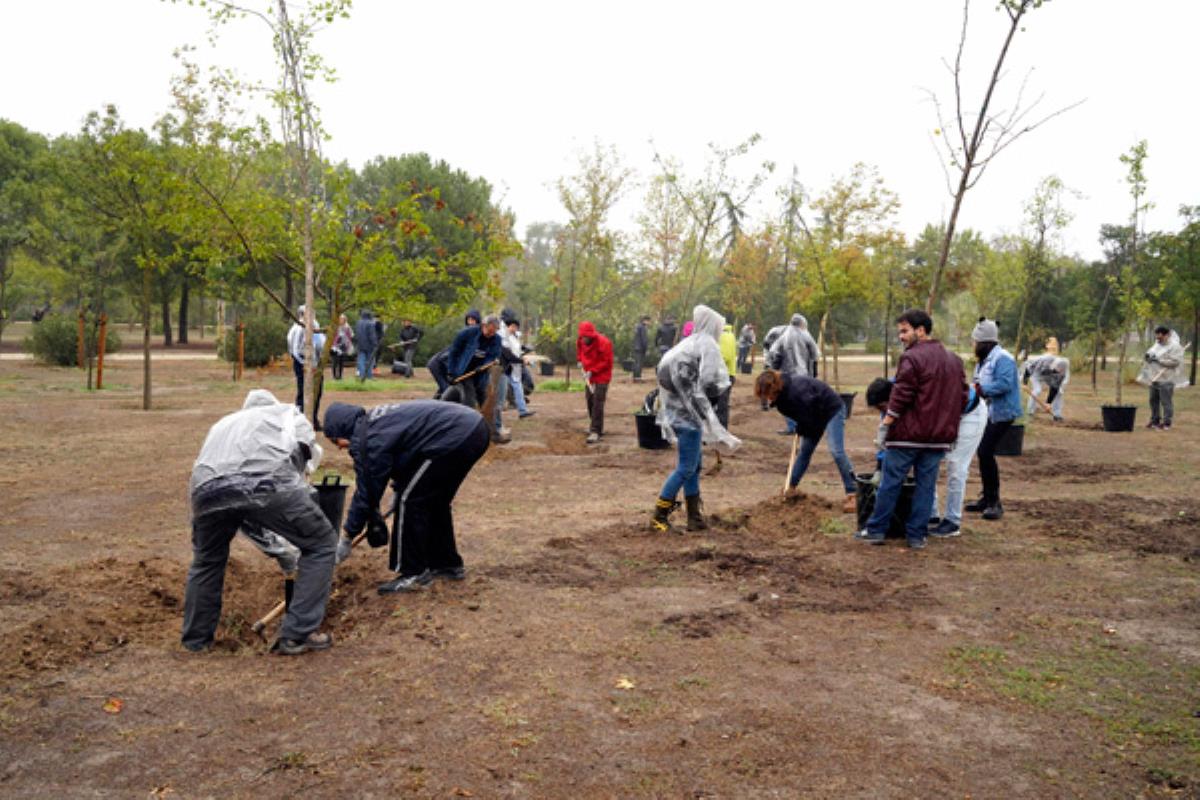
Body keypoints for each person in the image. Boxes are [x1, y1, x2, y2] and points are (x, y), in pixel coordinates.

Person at [183, 389, 335, 655]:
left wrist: (278, 548)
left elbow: (236, 498)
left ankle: (196, 642)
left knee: (207, 560)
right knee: (321, 544)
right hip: (270, 482)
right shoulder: (288, 414)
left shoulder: (224, 424)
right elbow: (303, 461)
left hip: (206, 491)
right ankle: (296, 635)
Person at [323, 400, 490, 594]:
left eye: (336, 441)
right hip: (472, 429)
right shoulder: (374, 424)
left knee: (410, 501)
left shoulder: (366, 439)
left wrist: (347, 536)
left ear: (342, 430)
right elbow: (406, 455)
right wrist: (398, 487)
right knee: (435, 502)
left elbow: (367, 492)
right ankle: (447, 565)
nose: (339, 447)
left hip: (453, 436)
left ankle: (413, 573)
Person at [854, 309, 966, 550]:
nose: (901, 337)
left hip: (907, 437)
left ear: (921, 330)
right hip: (937, 439)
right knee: (926, 486)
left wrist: (885, 426)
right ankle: (917, 536)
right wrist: (950, 427)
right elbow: (962, 396)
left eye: (904, 331)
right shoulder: (954, 360)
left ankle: (876, 530)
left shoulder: (911, 358)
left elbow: (901, 394)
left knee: (890, 483)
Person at [651, 305, 741, 533]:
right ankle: (658, 515)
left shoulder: (687, 343)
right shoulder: (708, 344)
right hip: (688, 416)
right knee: (686, 467)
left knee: (695, 465)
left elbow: (664, 372)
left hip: (676, 412)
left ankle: (694, 517)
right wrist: (707, 404)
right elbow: (711, 380)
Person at [868, 376, 988, 537]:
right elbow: (887, 436)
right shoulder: (892, 396)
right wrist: (879, 466)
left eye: (883, 407)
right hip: (942, 416)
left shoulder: (919, 392)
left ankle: (952, 521)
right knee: (926, 458)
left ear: (892, 397)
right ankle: (931, 515)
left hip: (969, 413)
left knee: (955, 465)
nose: (883, 411)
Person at [755, 370, 858, 513]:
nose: (766, 399)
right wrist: (802, 427)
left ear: (774, 388)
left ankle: (853, 494)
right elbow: (804, 418)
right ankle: (790, 488)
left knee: (836, 451)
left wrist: (802, 427)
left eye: (767, 394)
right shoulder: (781, 402)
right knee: (804, 452)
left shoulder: (796, 392)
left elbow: (809, 413)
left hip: (831, 409)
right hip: (814, 415)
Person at [965, 318, 1021, 521]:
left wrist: (981, 390)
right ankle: (986, 498)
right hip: (988, 412)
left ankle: (994, 503)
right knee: (983, 453)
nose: (973, 345)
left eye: (975, 341)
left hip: (1003, 413)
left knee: (985, 451)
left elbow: (1005, 384)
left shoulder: (1003, 358)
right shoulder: (985, 359)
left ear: (985, 342)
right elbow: (978, 382)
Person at [447, 312, 502, 408]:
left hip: (481, 372)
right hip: (464, 370)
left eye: (494, 332)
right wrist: (451, 372)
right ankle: (469, 420)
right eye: (490, 331)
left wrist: (483, 366)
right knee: (469, 396)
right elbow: (454, 353)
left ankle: (490, 421)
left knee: (483, 395)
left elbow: (493, 356)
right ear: (483, 325)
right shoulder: (467, 333)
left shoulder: (497, 339)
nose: (491, 334)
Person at [1140, 325, 1187, 430]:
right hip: (1154, 377)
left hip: (1167, 378)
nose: (1158, 339)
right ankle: (1154, 421)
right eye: (1157, 337)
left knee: (1166, 401)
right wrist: (1148, 357)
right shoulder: (1157, 344)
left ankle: (1167, 423)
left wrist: (1159, 361)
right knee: (1153, 400)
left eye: (1160, 337)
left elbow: (1175, 362)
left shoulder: (1175, 347)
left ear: (1167, 335)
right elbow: (1151, 354)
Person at [428, 310, 480, 399]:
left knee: (446, 388)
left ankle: (437, 400)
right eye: (469, 320)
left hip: (443, 361)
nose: (471, 322)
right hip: (437, 364)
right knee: (447, 389)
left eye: (473, 320)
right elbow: (446, 357)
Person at [577, 320, 613, 444]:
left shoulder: (604, 343)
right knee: (590, 399)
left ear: (591, 335)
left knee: (598, 401)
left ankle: (595, 431)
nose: (584, 339)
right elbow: (580, 352)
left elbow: (606, 361)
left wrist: (593, 370)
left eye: (586, 337)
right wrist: (580, 362)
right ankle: (595, 425)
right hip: (589, 375)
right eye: (582, 337)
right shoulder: (581, 340)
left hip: (602, 375)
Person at [1023, 348, 1070, 421]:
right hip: (1037, 373)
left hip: (1048, 376)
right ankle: (1030, 412)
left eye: (1059, 371)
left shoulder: (1061, 372)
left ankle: (1057, 415)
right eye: (1057, 370)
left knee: (1059, 392)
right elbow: (1029, 368)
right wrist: (1025, 383)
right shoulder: (1044, 360)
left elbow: (1054, 387)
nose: (1058, 372)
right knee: (1037, 390)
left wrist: (1048, 403)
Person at [501, 317, 534, 419]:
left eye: (516, 327)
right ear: (509, 326)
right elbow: (508, 355)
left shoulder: (514, 337)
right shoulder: (504, 337)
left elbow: (517, 351)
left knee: (518, 388)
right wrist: (521, 360)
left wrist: (523, 354)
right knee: (501, 391)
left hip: (514, 368)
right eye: (513, 326)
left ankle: (523, 411)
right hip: (503, 368)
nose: (515, 329)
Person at [716, 322, 738, 429]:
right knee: (721, 404)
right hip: (727, 373)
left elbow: (724, 356)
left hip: (723, 374)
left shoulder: (724, 336)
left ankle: (721, 430)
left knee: (721, 404)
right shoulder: (729, 334)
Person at [354, 309, 379, 381]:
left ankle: (362, 375)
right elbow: (372, 335)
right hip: (369, 345)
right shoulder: (370, 323)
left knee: (361, 360)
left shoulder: (358, 323)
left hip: (360, 345)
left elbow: (357, 334)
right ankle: (369, 376)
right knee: (370, 361)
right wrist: (375, 344)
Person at [330, 313, 354, 380]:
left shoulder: (347, 327)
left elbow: (351, 336)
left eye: (342, 319)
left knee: (341, 362)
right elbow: (331, 336)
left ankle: (340, 376)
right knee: (335, 361)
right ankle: (334, 376)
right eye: (340, 319)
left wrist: (348, 344)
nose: (341, 320)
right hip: (335, 347)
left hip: (343, 347)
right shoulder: (335, 326)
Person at [632, 316, 650, 382]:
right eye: (648, 321)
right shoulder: (643, 328)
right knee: (639, 363)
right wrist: (646, 349)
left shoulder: (637, 326)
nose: (649, 323)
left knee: (636, 362)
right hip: (640, 348)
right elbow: (644, 339)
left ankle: (635, 377)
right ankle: (638, 378)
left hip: (636, 347)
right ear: (645, 320)